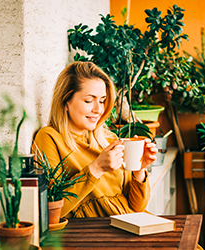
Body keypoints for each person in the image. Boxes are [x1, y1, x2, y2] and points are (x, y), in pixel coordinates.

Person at [33, 61, 157, 218]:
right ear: (66, 102)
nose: (98, 110)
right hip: (95, 233)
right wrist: (96, 168)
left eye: (102, 100)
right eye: (88, 100)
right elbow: (50, 212)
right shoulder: (49, 138)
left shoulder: (109, 139)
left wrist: (139, 168)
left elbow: (137, 207)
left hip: (132, 224)